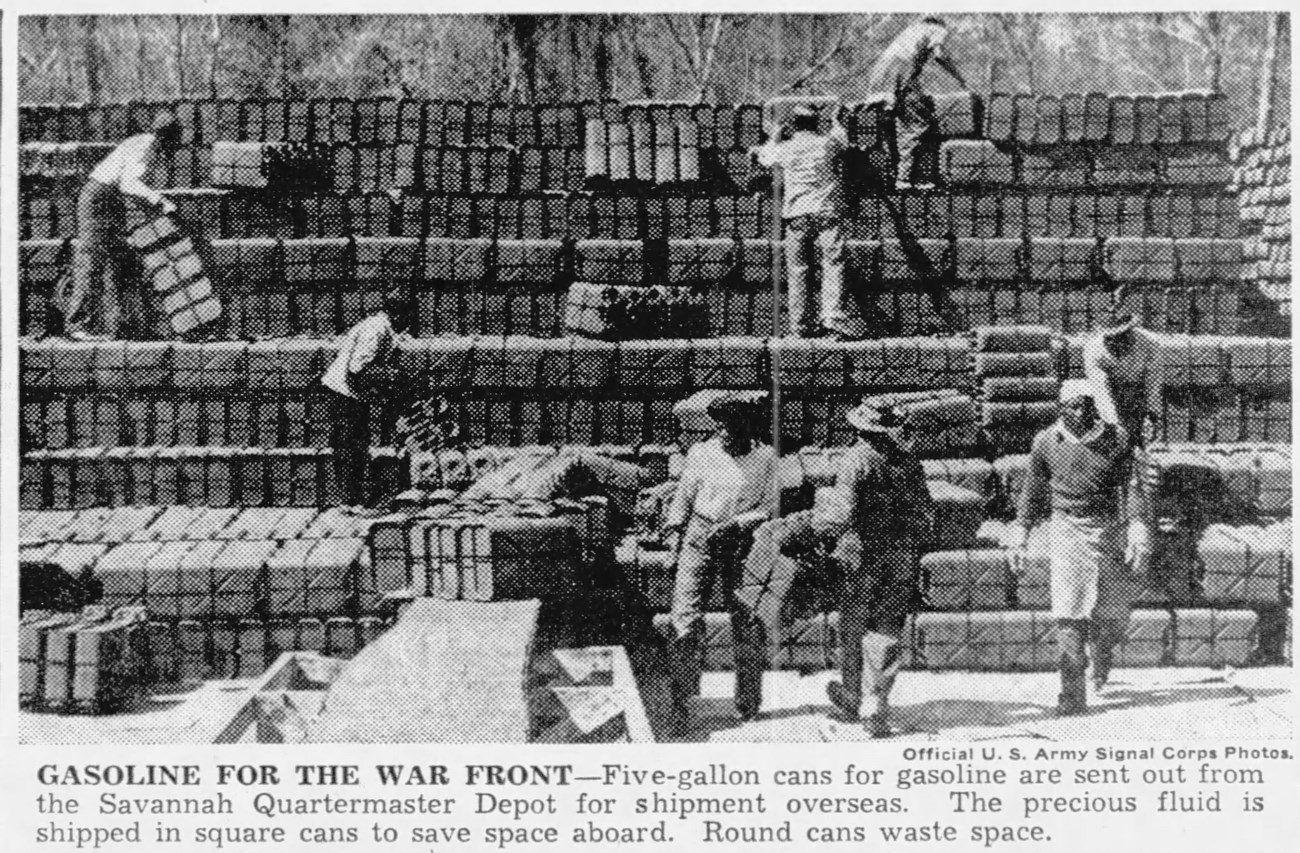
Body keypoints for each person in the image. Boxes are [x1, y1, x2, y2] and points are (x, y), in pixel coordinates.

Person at [1013, 379, 1149, 716]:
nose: (1081, 411)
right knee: (1069, 613)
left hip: (1108, 528)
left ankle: (1102, 655)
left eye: (1087, 404)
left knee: (1113, 613)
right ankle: (1072, 695)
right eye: (1073, 405)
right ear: (1060, 408)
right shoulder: (1046, 442)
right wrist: (1020, 531)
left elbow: (1132, 485)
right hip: (1067, 528)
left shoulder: (1116, 439)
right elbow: (1032, 492)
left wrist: (1137, 524)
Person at [813, 400, 935, 737]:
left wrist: (816, 522)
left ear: (859, 429)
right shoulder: (908, 460)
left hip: (861, 557)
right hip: (900, 557)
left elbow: (841, 514)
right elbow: (926, 512)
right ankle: (876, 702)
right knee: (886, 629)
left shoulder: (856, 460)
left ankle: (854, 697)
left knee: (853, 626)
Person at [663, 394, 778, 723]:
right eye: (720, 426)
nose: (724, 433)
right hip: (699, 538)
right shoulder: (701, 452)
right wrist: (674, 536)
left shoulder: (766, 458)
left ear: (748, 429)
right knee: (684, 622)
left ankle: (747, 703)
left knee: (747, 621)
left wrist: (739, 524)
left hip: (740, 543)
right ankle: (682, 703)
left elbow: (771, 506)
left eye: (732, 427)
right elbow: (682, 498)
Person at [63, 111, 182, 341]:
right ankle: (76, 325)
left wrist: (155, 212)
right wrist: (160, 201)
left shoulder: (143, 143)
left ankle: (129, 326)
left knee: (124, 262)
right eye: (171, 142)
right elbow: (129, 183)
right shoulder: (145, 148)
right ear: (164, 137)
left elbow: (131, 188)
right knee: (92, 261)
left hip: (111, 200)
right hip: (98, 200)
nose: (171, 150)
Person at [754, 105, 858, 339]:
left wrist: (775, 134)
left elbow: (764, 158)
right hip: (826, 212)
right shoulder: (827, 144)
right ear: (815, 123)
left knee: (798, 270)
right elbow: (843, 140)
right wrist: (836, 121)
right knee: (833, 263)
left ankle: (800, 326)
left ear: (795, 125)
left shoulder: (786, 148)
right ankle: (832, 317)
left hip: (797, 215)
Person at [321, 287, 414, 512]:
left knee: (358, 445)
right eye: (408, 315)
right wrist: (392, 377)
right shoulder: (375, 329)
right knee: (349, 446)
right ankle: (351, 501)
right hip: (343, 393)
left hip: (354, 393)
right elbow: (358, 368)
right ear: (397, 313)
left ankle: (354, 498)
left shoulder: (386, 328)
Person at [868, 16, 966, 191]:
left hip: (880, 75)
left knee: (893, 126)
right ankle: (910, 179)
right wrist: (960, 78)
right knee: (919, 125)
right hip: (901, 72)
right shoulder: (937, 29)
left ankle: (891, 177)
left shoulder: (912, 29)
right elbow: (939, 55)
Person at [1082, 312, 1162, 447]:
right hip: (1110, 390)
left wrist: (1152, 415)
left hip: (1137, 390)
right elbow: (1101, 391)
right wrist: (1113, 423)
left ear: (1131, 331)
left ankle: (1137, 450)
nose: (1117, 342)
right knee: (1114, 436)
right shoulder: (1093, 349)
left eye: (1122, 336)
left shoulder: (1151, 344)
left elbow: (1153, 382)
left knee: (1136, 436)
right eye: (1111, 338)